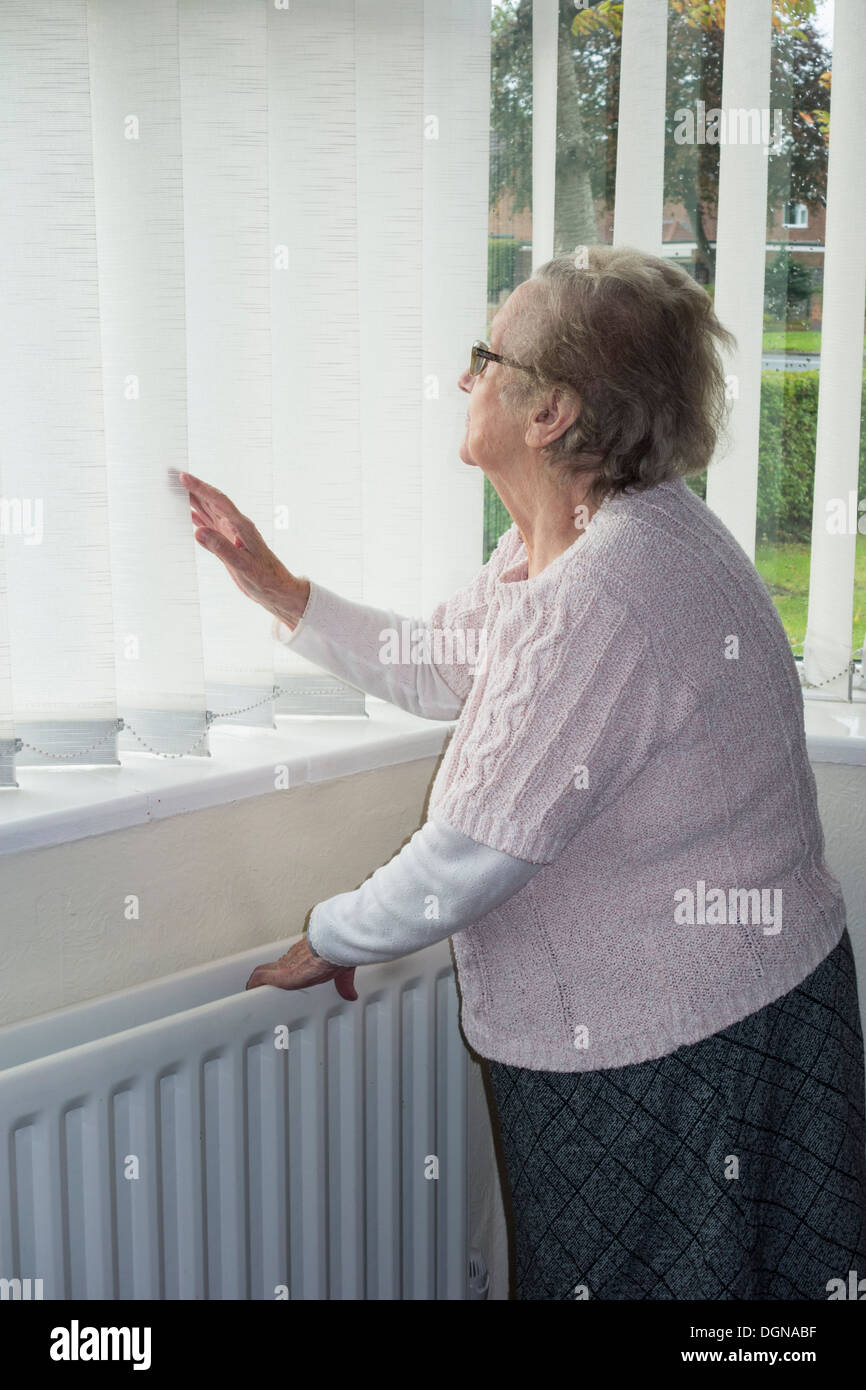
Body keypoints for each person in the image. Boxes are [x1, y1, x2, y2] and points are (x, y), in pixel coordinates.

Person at [179, 244, 866, 1300]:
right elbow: (447, 663)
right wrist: (274, 583)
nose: (465, 379)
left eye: (483, 355)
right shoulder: (580, 535)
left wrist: (328, 934)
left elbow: (467, 855)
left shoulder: (606, 586)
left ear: (549, 413)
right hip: (744, 1004)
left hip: (683, 1048)